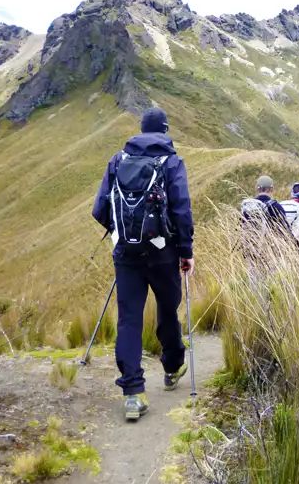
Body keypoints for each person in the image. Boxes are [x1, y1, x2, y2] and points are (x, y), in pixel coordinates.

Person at [91, 107, 194, 422]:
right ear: (165, 130)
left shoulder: (118, 160)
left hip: (126, 255)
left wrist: (124, 234)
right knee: (167, 309)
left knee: (129, 320)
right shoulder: (172, 162)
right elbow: (181, 209)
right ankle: (173, 365)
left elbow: (99, 209)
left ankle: (133, 394)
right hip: (164, 253)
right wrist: (185, 250)